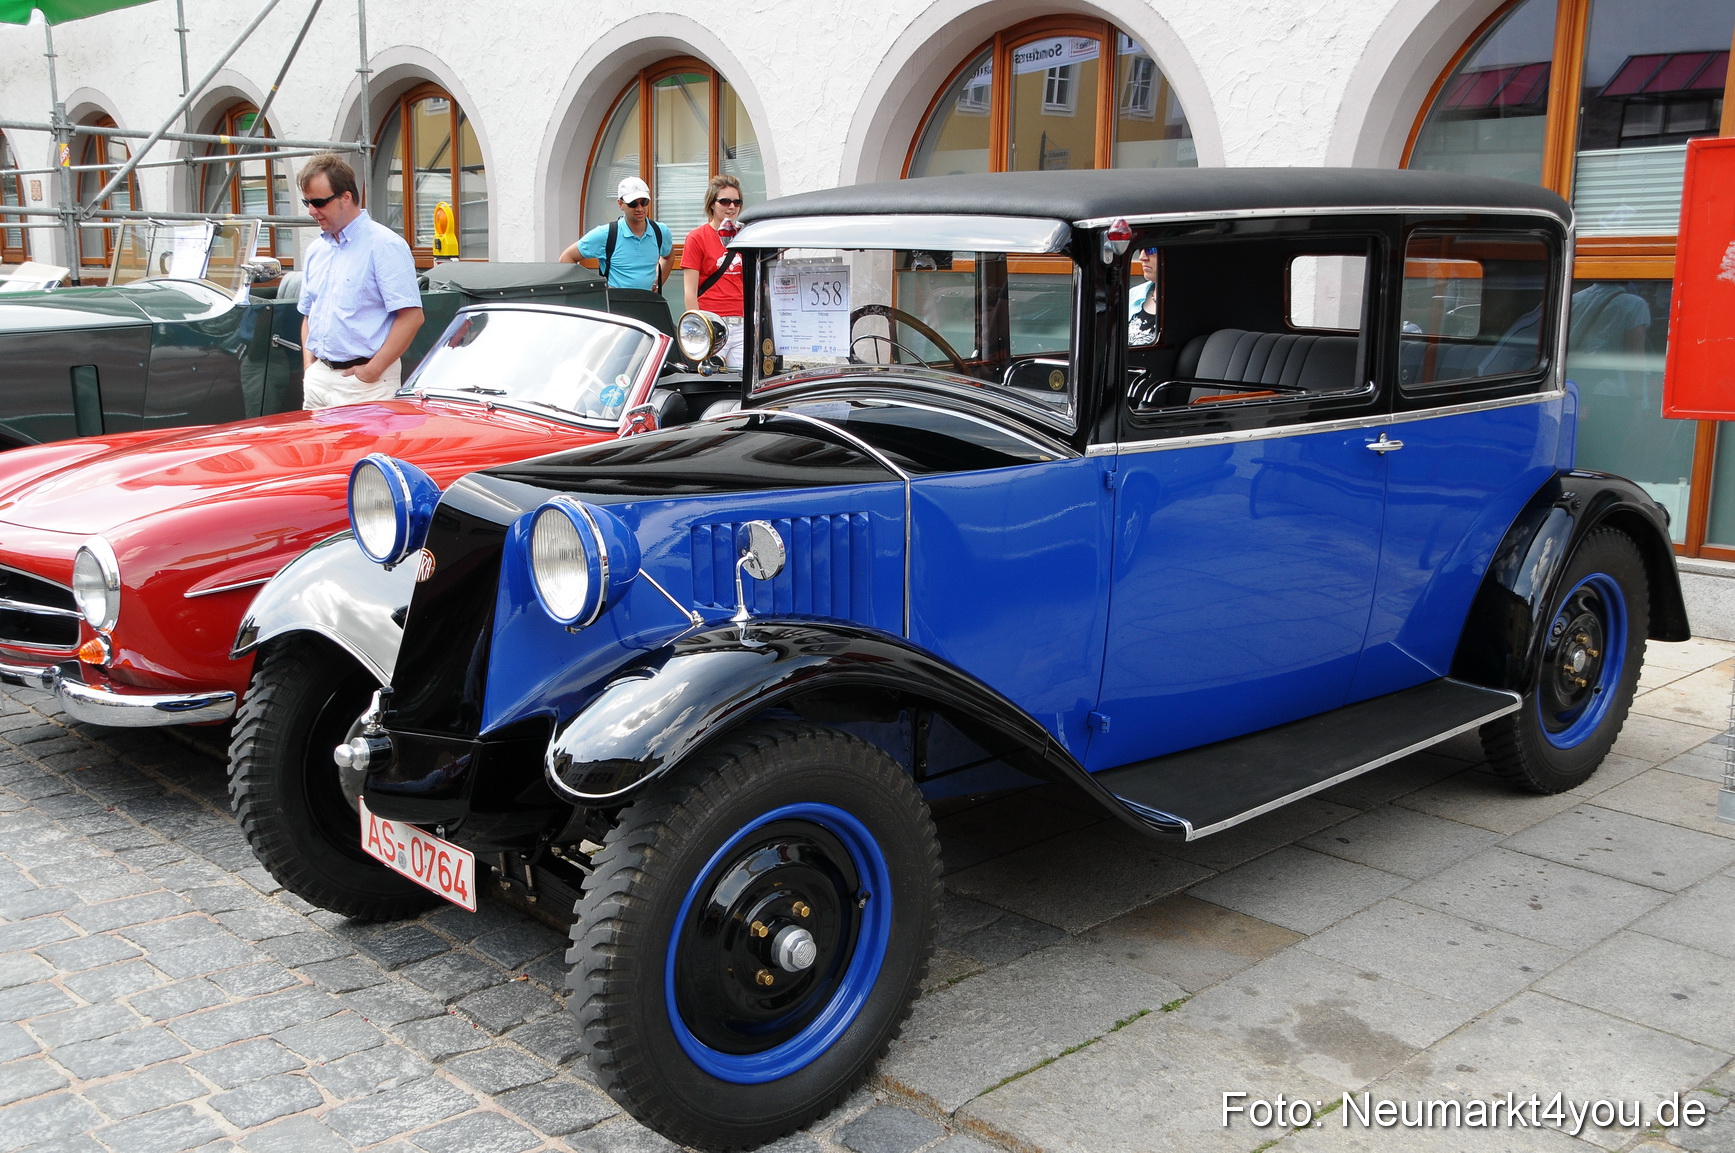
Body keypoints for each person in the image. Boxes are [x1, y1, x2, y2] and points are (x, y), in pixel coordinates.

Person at [295, 153, 424, 408]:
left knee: (362, 450)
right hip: (319, 379)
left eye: (319, 202)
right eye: (307, 202)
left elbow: (412, 317)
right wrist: (310, 366)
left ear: (346, 197)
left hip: (364, 384)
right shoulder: (316, 250)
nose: (312, 211)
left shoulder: (384, 245)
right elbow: (310, 313)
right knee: (317, 449)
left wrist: (372, 371)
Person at [560, 176, 672, 291]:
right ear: (620, 204)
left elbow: (668, 257)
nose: (640, 208)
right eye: (633, 203)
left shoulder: (661, 231)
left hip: (648, 303)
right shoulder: (606, 234)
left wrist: (658, 283)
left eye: (644, 202)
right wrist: (587, 291)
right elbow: (567, 257)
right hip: (614, 304)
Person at [681, 175, 746, 369]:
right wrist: (698, 330)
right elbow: (689, 291)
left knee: (741, 384)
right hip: (712, 323)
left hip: (742, 322)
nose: (731, 207)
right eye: (725, 201)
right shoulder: (697, 238)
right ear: (712, 204)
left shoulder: (746, 236)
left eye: (737, 202)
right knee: (711, 380)